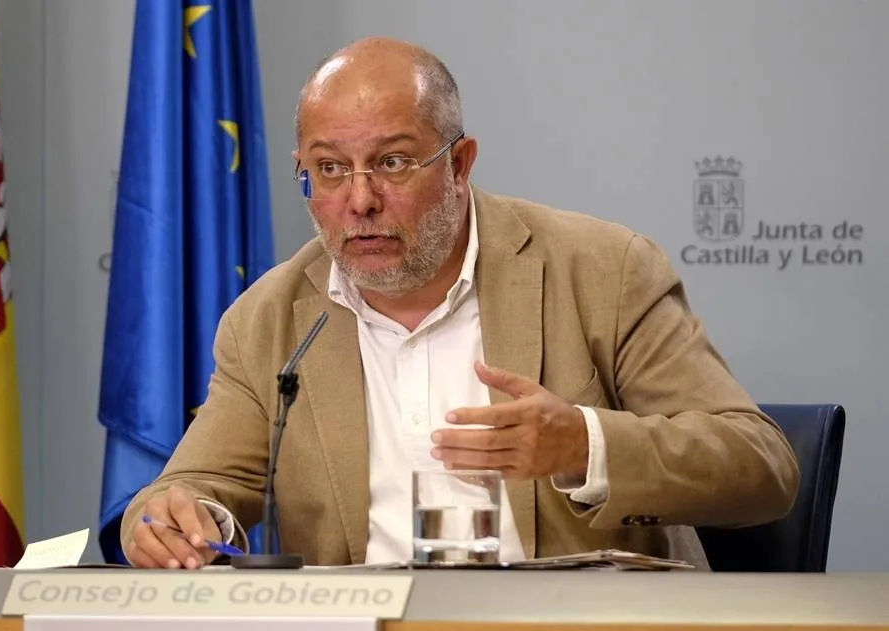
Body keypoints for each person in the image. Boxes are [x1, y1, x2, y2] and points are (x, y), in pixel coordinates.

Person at [120, 37, 799, 570]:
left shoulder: (603, 272)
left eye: (392, 163)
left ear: (459, 164)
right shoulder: (268, 320)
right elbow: (187, 488)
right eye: (329, 169)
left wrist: (584, 446)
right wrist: (174, 522)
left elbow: (761, 465)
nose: (360, 200)